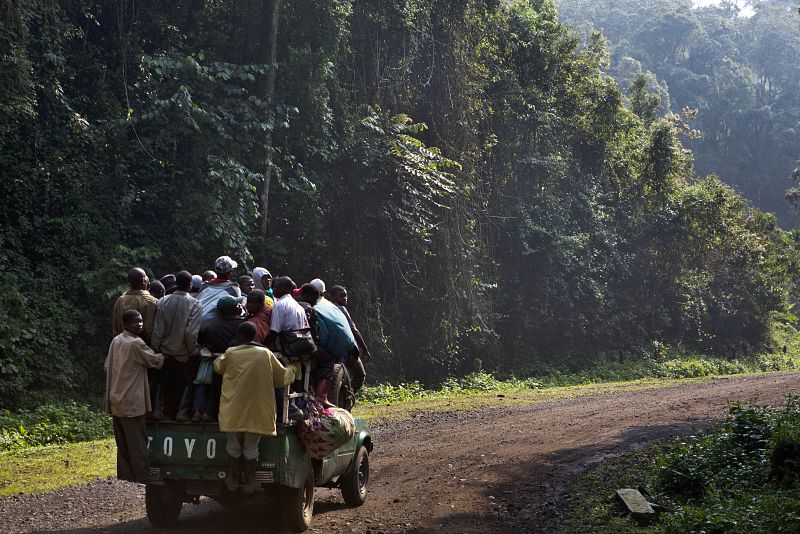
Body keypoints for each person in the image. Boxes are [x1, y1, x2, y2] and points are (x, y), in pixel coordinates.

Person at [214, 321, 297, 493]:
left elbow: (217, 367)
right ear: (254, 336)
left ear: (240, 336)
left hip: (233, 409)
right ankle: (251, 481)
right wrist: (292, 368)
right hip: (257, 409)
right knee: (251, 446)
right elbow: (282, 378)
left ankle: (233, 479)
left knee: (233, 445)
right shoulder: (265, 353)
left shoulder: (231, 353)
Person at [105, 309, 164, 483]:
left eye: (140, 321)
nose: (139, 324)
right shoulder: (136, 343)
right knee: (137, 441)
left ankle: (126, 473)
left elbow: (107, 366)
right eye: (135, 322)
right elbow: (155, 361)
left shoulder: (116, 341)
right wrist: (165, 354)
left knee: (123, 442)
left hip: (116, 397)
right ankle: (143, 474)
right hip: (131, 400)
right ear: (125, 324)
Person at [151, 271, 202, 420]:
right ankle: (182, 412)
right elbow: (191, 333)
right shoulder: (195, 304)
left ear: (175, 285)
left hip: (165, 351)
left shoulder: (162, 301)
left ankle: (157, 410)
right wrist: (192, 351)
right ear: (190, 285)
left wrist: (156, 348)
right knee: (190, 381)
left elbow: (157, 329)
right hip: (183, 353)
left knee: (161, 380)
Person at [191, 295, 245, 422]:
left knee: (211, 386)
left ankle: (202, 412)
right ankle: (213, 414)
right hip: (235, 365)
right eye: (237, 305)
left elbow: (209, 345)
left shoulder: (212, 326)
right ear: (232, 310)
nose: (240, 306)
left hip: (216, 362)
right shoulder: (242, 325)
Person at [300, 284, 357, 403]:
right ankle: (321, 396)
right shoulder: (316, 308)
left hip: (293, 345)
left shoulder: (304, 307)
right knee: (328, 360)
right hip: (309, 347)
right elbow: (323, 334)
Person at [265, 277, 308, 420]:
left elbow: (274, 330)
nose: (273, 289)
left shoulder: (280, 305)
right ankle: (298, 406)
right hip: (298, 349)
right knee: (296, 381)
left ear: (283, 288)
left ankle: (287, 409)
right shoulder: (298, 306)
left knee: (280, 381)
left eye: (275, 287)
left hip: (284, 350)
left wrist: (264, 346)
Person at [298, 285, 336, 407]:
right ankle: (321, 395)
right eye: (314, 299)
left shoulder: (293, 305)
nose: (315, 302)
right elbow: (314, 334)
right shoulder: (309, 310)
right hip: (304, 347)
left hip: (288, 346)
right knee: (328, 358)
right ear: (309, 297)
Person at [329, 285, 371, 395]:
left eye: (346, 296)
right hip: (347, 350)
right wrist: (365, 349)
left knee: (340, 378)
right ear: (332, 297)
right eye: (341, 296)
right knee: (360, 375)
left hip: (332, 349)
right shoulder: (341, 309)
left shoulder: (326, 308)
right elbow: (354, 330)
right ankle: (348, 397)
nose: (345, 298)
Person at [112, 268, 158, 345]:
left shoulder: (120, 300)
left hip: (123, 347)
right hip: (145, 350)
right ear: (144, 281)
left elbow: (115, 327)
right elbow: (151, 330)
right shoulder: (151, 301)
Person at [198, 256, 241, 329]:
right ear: (229, 273)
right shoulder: (234, 289)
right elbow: (236, 310)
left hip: (196, 324)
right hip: (214, 328)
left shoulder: (204, 285)